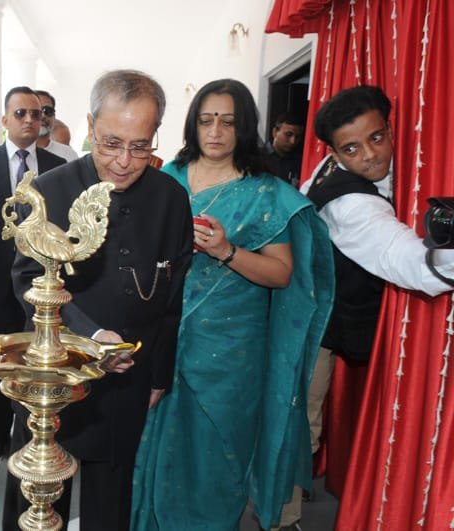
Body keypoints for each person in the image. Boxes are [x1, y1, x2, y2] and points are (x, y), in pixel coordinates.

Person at [131, 78, 334, 531]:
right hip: (160, 338)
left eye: (228, 121)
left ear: (244, 127)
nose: (216, 131)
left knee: (217, 457)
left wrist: (227, 251)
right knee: (151, 449)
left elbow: (282, 274)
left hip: (231, 353)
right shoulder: (166, 180)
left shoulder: (265, 193)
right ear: (192, 125)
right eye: (206, 121)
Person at [3, 70, 193, 531]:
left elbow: (172, 295)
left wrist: (158, 375)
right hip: (55, 374)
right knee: (39, 498)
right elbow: (27, 278)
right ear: (90, 126)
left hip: (129, 377)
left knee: (112, 498)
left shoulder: (170, 196)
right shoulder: (49, 190)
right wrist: (89, 336)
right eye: (111, 143)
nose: (125, 161)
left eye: (140, 146)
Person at [280, 85, 454, 525]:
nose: (372, 155)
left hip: (313, 312)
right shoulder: (352, 203)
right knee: (302, 421)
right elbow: (411, 265)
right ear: (336, 154)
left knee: (299, 416)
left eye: (377, 138)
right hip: (314, 323)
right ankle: (281, 517)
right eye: (353, 148)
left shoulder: (326, 168)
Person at [0, 86, 67, 462]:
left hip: (43, 285)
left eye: (36, 114)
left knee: (40, 361)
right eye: (20, 113)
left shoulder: (57, 166)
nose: (28, 120)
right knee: (0, 361)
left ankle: (32, 430)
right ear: (5, 120)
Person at [35, 90, 78, 161]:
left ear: (54, 116)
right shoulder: (17, 153)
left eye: (48, 111)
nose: (43, 116)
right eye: (37, 111)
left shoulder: (68, 154)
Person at [265, 111, 304, 187]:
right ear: (275, 132)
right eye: (288, 135)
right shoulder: (258, 157)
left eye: (297, 137)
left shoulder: (299, 161)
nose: (293, 141)